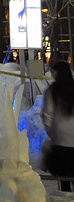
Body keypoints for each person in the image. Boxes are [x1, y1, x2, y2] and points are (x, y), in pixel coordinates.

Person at [42, 60, 74, 189]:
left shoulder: (52, 90)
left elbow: (47, 114)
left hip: (60, 139)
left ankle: (65, 197)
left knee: (64, 177)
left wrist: (52, 132)